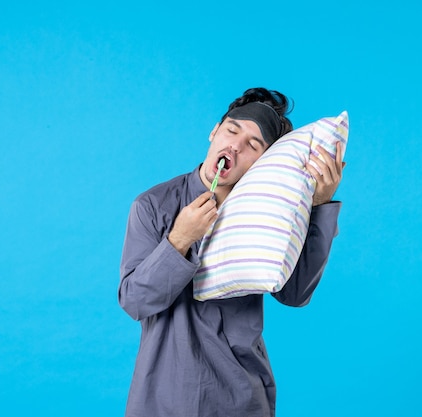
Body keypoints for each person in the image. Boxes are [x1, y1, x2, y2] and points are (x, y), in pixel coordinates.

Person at [119, 87, 345, 417]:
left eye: (253, 145)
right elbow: (134, 301)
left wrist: (319, 207)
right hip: (164, 395)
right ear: (214, 131)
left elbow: (294, 294)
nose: (234, 146)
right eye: (231, 130)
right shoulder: (153, 206)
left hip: (242, 397)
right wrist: (179, 240)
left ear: (264, 162)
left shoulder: (269, 211)